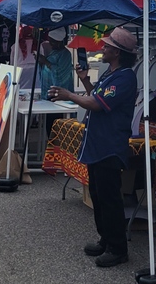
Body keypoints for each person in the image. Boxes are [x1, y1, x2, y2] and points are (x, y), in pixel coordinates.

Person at [49, 26, 138, 268]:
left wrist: (69, 94)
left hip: (109, 146)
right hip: (98, 145)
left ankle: (118, 248)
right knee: (98, 196)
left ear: (118, 53)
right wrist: (85, 80)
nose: (103, 47)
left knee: (110, 199)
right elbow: (95, 97)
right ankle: (106, 239)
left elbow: (98, 105)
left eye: (108, 46)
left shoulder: (125, 77)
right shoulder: (111, 73)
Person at [39, 27, 74, 94]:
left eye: (52, 42)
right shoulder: (54, 52)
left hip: (60, 94)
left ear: (58, 42)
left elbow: (60, 74)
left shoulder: (65, 54)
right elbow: (46, 68)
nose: (50, 44)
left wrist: (46, 62)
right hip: (48, 91)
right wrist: (40, 62)